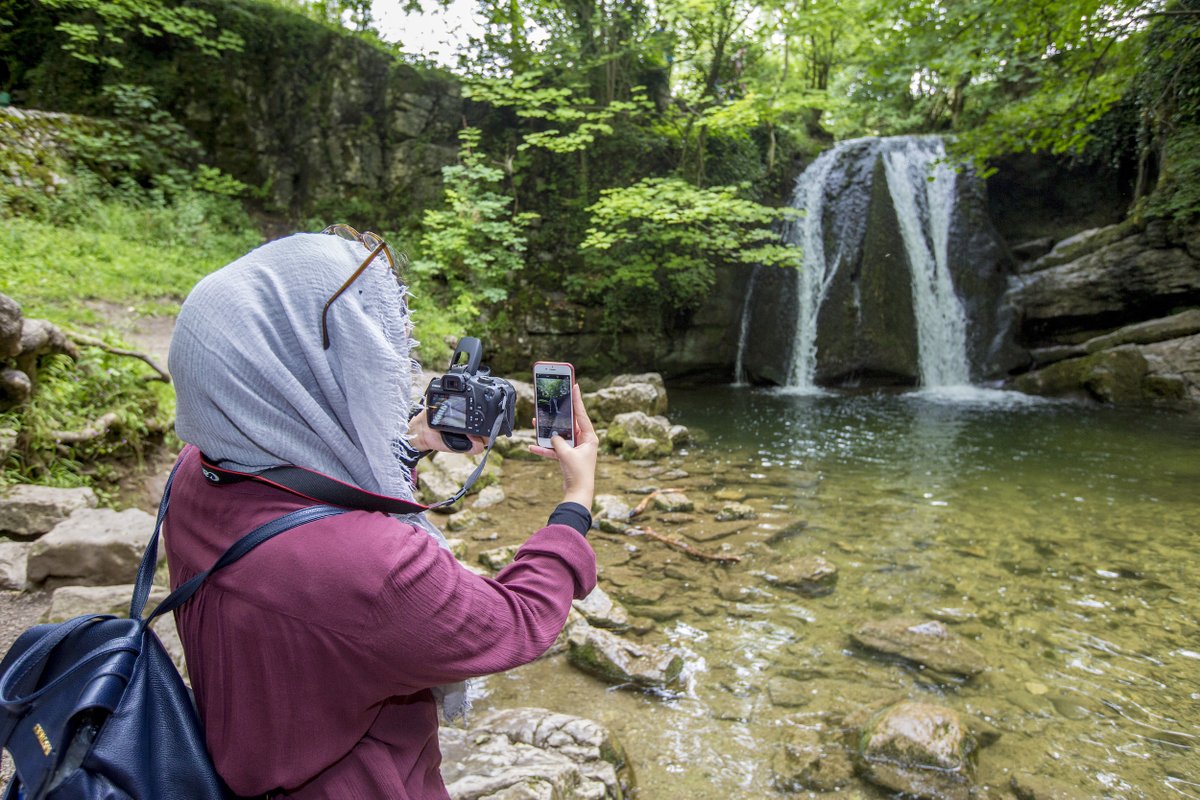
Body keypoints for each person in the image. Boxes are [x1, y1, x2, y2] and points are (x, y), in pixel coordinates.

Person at [162, 226, 598, 799]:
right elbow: (514, 620)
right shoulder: (370, 566)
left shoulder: (196, 471)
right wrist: (575, 502)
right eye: (364, 343)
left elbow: (307, 495)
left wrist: (406, 448)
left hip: (240, 756)